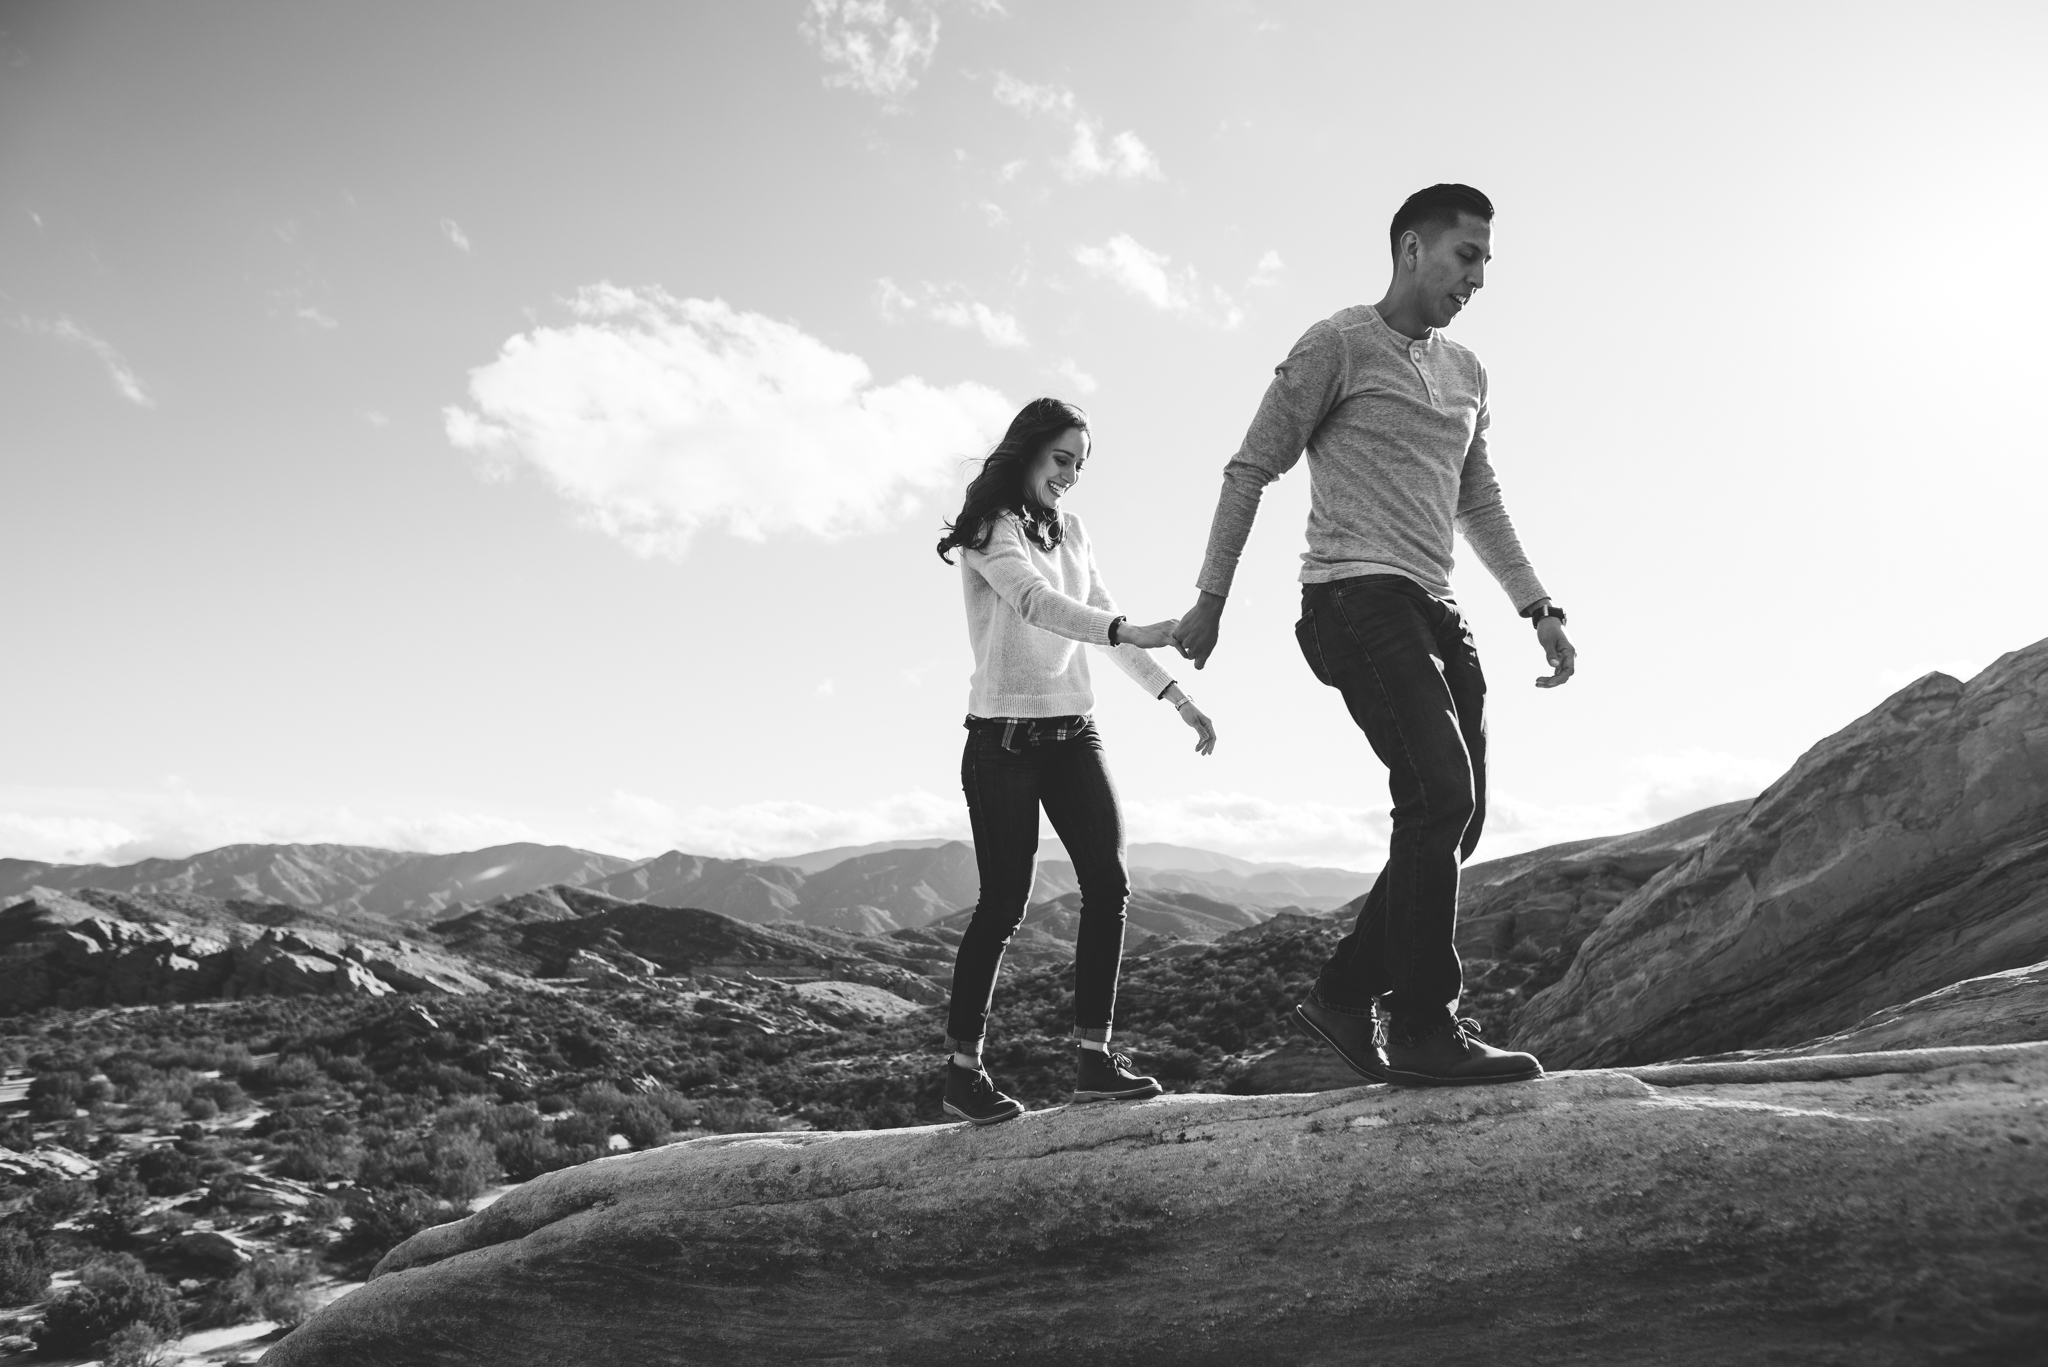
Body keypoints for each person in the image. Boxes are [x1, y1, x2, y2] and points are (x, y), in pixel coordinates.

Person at [1170, 184, 1575, 1087]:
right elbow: (1250, 469)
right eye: (1465, 256)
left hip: (1437, 605)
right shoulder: (1337, 343)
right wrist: (1211, 599)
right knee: (1437, 791)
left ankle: (1346, 994)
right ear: (1409, 249)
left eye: (1486, 262)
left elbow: (1480, 499)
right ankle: (1426, 1025)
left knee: (1454, 817)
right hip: (1352, 596)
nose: (1477, 277)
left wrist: (1538, 607)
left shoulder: (1470, 370)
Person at [935, 397, 1218, 1126]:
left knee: (1109, 884)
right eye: (1062, 459)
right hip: (1003, 740)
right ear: (1027, 451)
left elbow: (1103, 625)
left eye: (1080, 465)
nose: (1070, 476)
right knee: (1003, 906)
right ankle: (962, 1071)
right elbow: (1034, 603)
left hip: (1074, 734)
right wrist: (1127, 624)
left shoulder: (1075, 531)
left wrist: (1176, 698)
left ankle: (1094, 1059)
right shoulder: (989, 530)